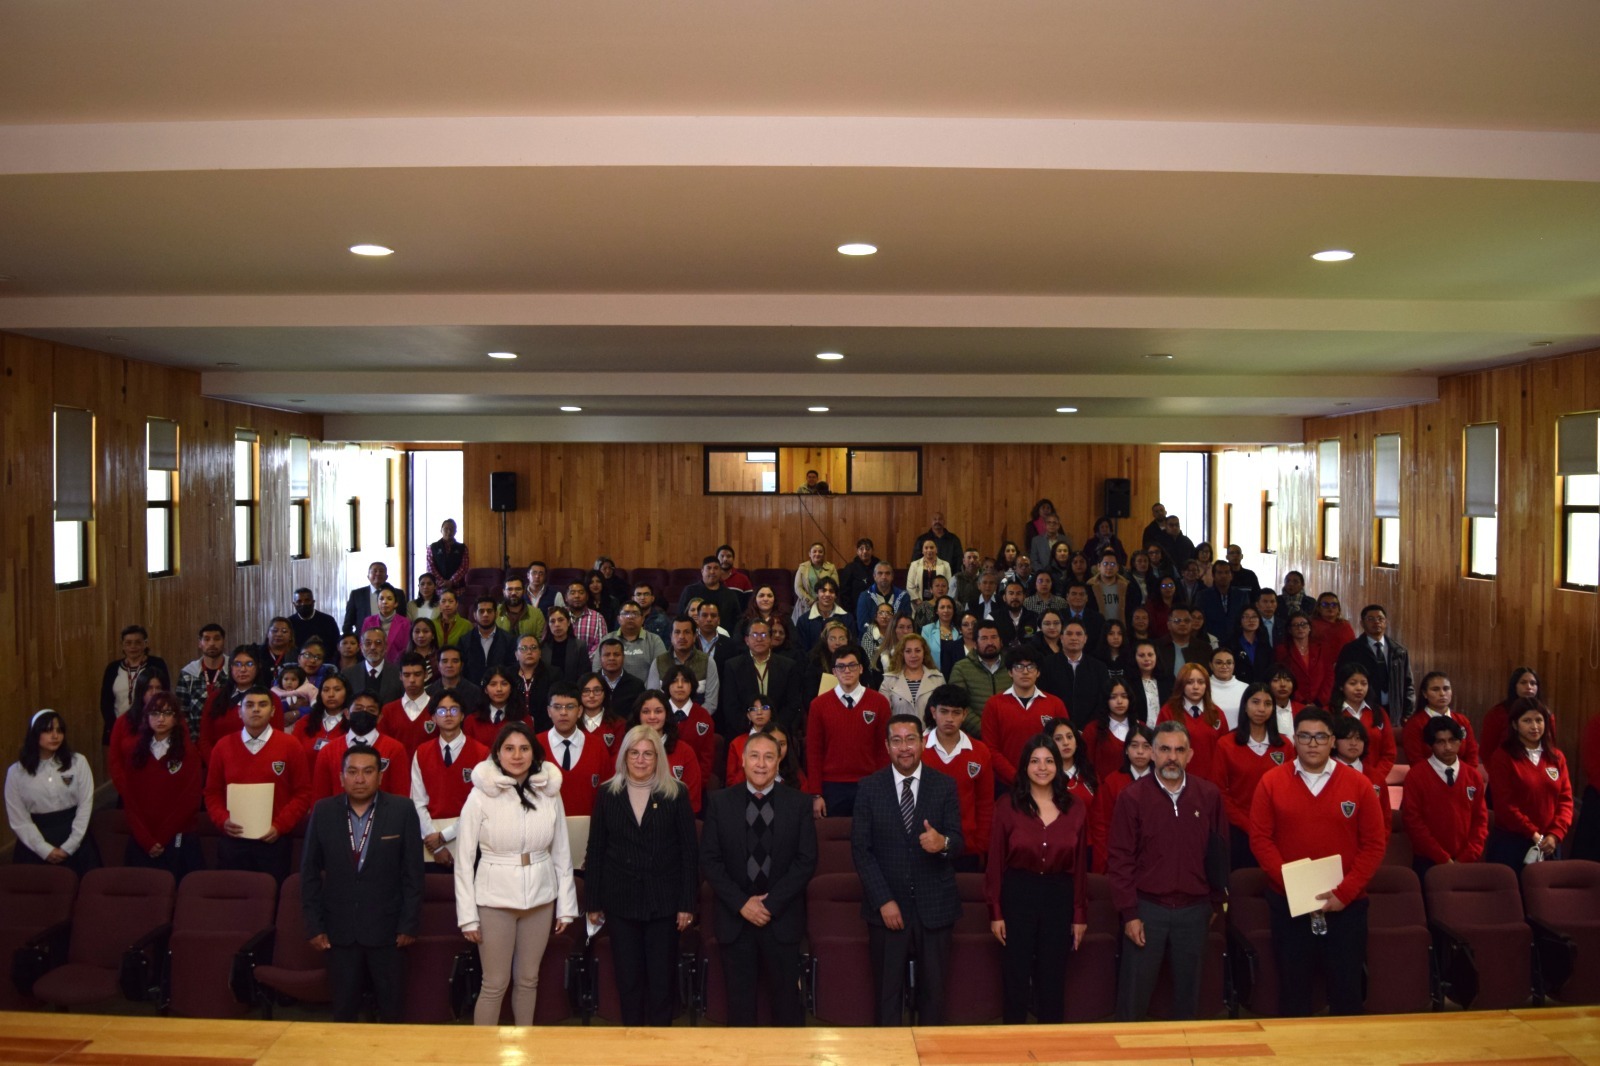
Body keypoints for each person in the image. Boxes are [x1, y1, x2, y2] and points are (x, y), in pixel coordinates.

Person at [1249, 708, 1387, 1017]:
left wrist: (1344, 892)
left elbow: (1375, 845)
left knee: (1346, 992)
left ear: (1333, 741)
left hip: (1346, 906)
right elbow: (1260, 840)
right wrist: (1296, 887)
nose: (1313, 743)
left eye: (1321, 736)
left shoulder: (1359, 784)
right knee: (1294, 993)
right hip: (1289, 904)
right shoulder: (1271, 782)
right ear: (1294, 740)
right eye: (1305, 736)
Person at [455, 722, 579, 1026]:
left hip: (540, 898)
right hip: (494, 900)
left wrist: (566, 906)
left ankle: (525, 1050)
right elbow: (464, 859)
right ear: (497, 754)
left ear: (534, 754)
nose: (517, 755)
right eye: (509, 748)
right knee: (494, 983)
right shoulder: (480, 795)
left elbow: (562, 852)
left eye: (524, 748)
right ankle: (484, 1056)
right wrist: (468, 916)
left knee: (528, 980)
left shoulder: (548, 793)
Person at [1107, 720, 1229, 1021]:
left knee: (1189, 1001)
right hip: (1148, 911)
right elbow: (1120, 859)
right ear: (1152, 753)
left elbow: (1219, 853)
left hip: (1194, 910)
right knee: (1134, 1000)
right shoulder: (1132, 797)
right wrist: (1130, 913)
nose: (1172, 757)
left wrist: (1214, 901)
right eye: (1164, 749)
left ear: (1190, 755)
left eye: (1179, 750)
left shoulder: (1209, 795)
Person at [851, 714, 964, 1026]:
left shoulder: (944, 786)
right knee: (887, 998)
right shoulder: (870, 788)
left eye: (910, 739)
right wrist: (883, 900)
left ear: (922, 742)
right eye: (897, 740)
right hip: (887, 908)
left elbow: (959, 842)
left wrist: (942, 843)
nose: (904, 747)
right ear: (887, 746)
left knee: (935, 997)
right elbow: (861, 850)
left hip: (935, 908)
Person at [301, 742, 425, 1022]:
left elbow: (413, 875)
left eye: (368, 771)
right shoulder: (323, 811)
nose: (360, 779)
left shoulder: (402, 810)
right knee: (343, 1012)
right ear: (341, 776)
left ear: (380, 776)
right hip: (339, 932)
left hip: (389, 933)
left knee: (392, 1012)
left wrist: (408, 925)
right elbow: (309, 874)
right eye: (353, 772)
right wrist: (314, 926)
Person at [700, 731, 818, 1026]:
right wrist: (742, 904)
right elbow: (710, 861)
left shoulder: (799, 803)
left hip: (782, 920)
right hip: (735, 921)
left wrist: (770, 905)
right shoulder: (719, 802)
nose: (761, 764)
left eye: (769, 757)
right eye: (754, 756)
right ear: (742, 760)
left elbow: (806, 861)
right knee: (740, 1011)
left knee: (787, 1009)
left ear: (779, 760)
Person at [584, 725, 698, 1026]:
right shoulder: (608, 793)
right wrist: (593, 901)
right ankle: (632, 1044)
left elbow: (689, 854)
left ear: (658, 757)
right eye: (634, 753)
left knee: (661, 982)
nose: (640, 759)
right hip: (621, 902)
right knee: (628, 980)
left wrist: (687, 903)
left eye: (648, 754)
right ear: (624, 755)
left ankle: (660, 1046)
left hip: (665, 903)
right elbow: (595, 850)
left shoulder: (675, 793)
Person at [984, 735, 1087, 1024]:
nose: (1042, 767)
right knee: (1015, 975)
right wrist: (996, 911)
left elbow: (1079, 867)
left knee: (1052, 977)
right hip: (1018, 893)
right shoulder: (1006, 806)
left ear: (1059, 766)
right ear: (1024, 766)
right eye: (1035, 761)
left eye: (1049, 761)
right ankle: (1014, 1046)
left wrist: (1079, 915)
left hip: (1059, 895)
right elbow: (994, 862)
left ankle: (1050, 1048)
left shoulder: (1076, 807)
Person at [205, 686, 313, 879]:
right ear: (240, 712)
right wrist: (223, 820)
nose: (256, 709)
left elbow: (302, 793)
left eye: (262, 705)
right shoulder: (222, 747)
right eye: (250, 705)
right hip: (233, 841)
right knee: (233, 900)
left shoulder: (290, 745)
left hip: (274, 841)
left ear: (272, 711)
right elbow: (212, 792)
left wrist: (280, 826)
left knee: (270, 900)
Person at [120, 692, 204, 877]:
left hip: (178, 837)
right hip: (143, 839)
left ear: (176, 718)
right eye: (155, 713)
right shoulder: (135, 753)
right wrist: (146, 839)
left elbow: (190, 800)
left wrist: (162, 837)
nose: (161, 719)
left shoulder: (188, 752)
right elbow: (130, 799)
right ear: (147, 717)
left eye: (167, 713)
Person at [6, 710, 99, 875]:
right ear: (35, 734)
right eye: (48, 730)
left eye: (59, 730)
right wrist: (44, 850)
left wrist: (70, 846)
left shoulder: (78, 762)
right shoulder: (17, 772)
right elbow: (19, 818)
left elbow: (85, 805)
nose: (55, 736)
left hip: (75, 836)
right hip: (35, 841)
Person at [1484, 698, 1572, 870]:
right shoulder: (1502, 757)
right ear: (1515, 725)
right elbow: (1505, 805)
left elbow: (1565, 801)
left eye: (1539, 720)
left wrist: (1555, 835)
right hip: (1512, 844)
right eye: (1527, 721)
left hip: (1550, 844)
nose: (1534, 726)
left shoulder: (1556, 757)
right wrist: (1534, 834)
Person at [806, 645, 892, 818]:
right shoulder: (818, 705)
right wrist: (816, 794)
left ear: (860, 669)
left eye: (852, 665)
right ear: (834, 671)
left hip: (869, 784)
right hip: (831, 787)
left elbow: (884, 750)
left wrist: (883, 788)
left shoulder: (879, 702)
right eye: (841, 666)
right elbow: (814, 752)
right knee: (834, 842)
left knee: (869, 841)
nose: (847, 671)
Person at [1211, 683, 1290, 869]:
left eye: (1268, 703)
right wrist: (1248, 824)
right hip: (1240, 831)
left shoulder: (1285, 745)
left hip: (1278, 830)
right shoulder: (1226, 744)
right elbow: (1219, 791)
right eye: (1255, 702)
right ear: (1245, 706)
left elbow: (1292, 787)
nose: (1261, 709)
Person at [1401, 716, 1488, 878]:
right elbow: (1413, 821)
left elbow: (1480, 820)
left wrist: (1466, 857)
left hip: (1467, 862)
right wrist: (1442, 858)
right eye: (1440, 742)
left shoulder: (1472, 776)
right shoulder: (1416, 775)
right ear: (1431, 744)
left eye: (1452, 740)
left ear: (1460, 741)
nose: (1447, 747)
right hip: (1428, 861)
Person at [410, 690, 489, 867]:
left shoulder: (482, 753)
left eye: (454, 710)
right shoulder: (421, 753)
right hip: (430, 838)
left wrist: (445, 836)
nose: (447, 715)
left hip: (471, 834)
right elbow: (417, 801)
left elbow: (482, 805)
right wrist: (435, 844)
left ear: (462, 716)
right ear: (433, 718)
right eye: (441, 711)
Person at [921, 685, 995, 870]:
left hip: (967, 847)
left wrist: (980, 844)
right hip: (923, 844)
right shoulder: (918, 749)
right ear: (933, 712)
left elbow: (985, 802)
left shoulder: (979, 751)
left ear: (965, 714)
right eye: (944, 711)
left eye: (956, 713)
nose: (949, 718)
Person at [981, 645, 1070, 788]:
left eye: (1031, 667)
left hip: (1047, 781)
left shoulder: (1055, 704)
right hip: (1006, 784)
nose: (1025, 672)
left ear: (1038, 672)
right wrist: (1016, 778)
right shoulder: (994, 704)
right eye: (1019, 667)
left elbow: (1063, 744)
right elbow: (990, 748)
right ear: (1010, 672)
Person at [311, 692, 411, 803]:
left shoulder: (395, 749)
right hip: (337, 818)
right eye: (358, 708)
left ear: (379, 717)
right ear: (347, 713)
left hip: (384, 818)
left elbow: (401, 798)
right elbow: (319, 799)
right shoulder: (328, 751)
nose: (364, 713)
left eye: (371, 710)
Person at [719, 618, 800, 739]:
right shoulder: (733, 666)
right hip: (744, 732)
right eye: (754, 635)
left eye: (763, 634)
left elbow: (792, 704)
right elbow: (730, 705)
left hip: (779, 732)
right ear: (747, 640)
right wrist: (752, 729)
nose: (759, 639)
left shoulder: (788, 666)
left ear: (771, 639)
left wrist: (774, 728)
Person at [1335, 604, 1415, 725]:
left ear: (1386, 622)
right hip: (1363, 707)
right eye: (1370, 619)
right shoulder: (1351, 650)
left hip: (1393, 710)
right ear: (1362, 623)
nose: (1376, 622)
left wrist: (1407, 713)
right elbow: (1340, 680)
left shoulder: (1399, 651)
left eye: (1380, 618)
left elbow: (1408, 684)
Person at [537, 683, 607, 816]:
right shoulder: (535, 745)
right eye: (557, 707)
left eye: (570, 707)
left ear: (580, 711)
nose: (563, 713)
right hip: (545, 829)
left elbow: (607, 792)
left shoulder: (598, 746)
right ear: (548, 711)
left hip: (590, 829)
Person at [629, 690, 704, 813]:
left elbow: (693, 800)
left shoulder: (685, 751)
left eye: (658, 711)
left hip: (674, 822)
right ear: (638, 715)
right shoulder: (627, 749)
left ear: (667, 715)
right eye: (646, 712)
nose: (652, 717)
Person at [1328, 662, 1396, 789]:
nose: (1359, 688)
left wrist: (1374, 777)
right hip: (1335, 779)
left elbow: (1389, 752)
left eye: (1364, 683)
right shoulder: (1329, 713)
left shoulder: (1378, 713)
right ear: (1341, 686)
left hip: (1372, 780)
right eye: (1353, 683)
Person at [99, 624, 171, 743]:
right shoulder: (112, 668)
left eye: (138, 642)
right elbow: (105, 702)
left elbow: (165, 695)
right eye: (128, 643)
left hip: (150, 728)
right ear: (122, 645)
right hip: (118, 728)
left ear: (145, 644)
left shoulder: (157, 664)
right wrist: (115, 726)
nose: (133, 646)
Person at [1157, 664, 1224, 781]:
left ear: (1207, 686)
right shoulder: (1168, 712)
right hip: (1176, 779)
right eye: (1189, 682)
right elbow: (1159, 748)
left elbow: (1224, 751)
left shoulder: (1217, 713)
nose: (1196, 687)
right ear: (1181, 685)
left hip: (1211, 782)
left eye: (1201, 682)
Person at [1403, 671, 1481, 767]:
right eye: (1435, 689)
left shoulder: (1462, 721)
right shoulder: (1415, 724)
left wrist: (1466, 776)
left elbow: (1472, 754)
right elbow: (1415, 759)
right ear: (1425, 693)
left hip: (1463, 776)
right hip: (1427, 777)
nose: (1442, 693)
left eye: (1446, 689)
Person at [1480, 668, 1552, 755]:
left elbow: (1550, 746)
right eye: (1523, 682)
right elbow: (1487, 750)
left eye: (1533, 683)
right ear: (1514, 686)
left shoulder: (1546, 713)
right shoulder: (1497, 713)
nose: (1529, 687)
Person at [176, 623, 228, 744]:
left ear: (223, 641)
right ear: (200, 643)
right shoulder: (188, 672)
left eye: (216, 638)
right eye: (206, 639)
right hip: (197, 740)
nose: (212, 643)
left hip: (227, 739)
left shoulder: (234, 670)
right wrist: (193, 741)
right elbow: (182, 711)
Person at [879, 634, 946, 722]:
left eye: (918, 651)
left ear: (924, 653)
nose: (913, 655)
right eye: (908, 651)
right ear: (902, 654)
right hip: (900, 733)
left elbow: (944, 711)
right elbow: (882, 713)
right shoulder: (889, 680)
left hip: (929, 733)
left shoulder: (938, 679)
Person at [1275, 612, 1333, 709]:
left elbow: (1329, 676)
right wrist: (1301, 701)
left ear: (1310, 627)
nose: (1300, 628)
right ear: (1289, 630)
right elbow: (1283, 678)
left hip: (1321, 705)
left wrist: (1318, 702)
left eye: (1303, 624)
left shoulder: (1322, 648)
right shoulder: (1282, 650)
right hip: (1294, 703)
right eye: (1295, 625)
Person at [342, 627, 405, 706]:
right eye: (368, 643)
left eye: (378, 643)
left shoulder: (398, 674)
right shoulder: (348, 674)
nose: (373, 647)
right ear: (361, 647)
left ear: (386, 647)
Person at [792, 542, 839, 621]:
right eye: (814, 551)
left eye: (820, 552)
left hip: (826, 603)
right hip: (805, 605)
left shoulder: (831, 567)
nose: (817, 554)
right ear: (809, 554)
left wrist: (823, 601)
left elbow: (835, 586)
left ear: (824, 554)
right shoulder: (803, 567)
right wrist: (810, 601)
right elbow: (798, 587)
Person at [495, 576, 547, 642]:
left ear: (524, 591)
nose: (513, 593)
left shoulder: (537, 614)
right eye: (510, 589)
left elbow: (540, 640)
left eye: (518, 589)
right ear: (503, 592)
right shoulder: (494, 612)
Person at [291, 589, 342, 654]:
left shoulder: (328, 620)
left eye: (307, 600)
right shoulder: (289, 623)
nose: (303, 604)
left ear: (313, 602)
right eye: (299, 601)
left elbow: (336, 645)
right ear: (294, 604)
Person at [426, 518, 470, 592]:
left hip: (458, 588)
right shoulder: (432, 547)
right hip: (438, 588)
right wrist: (442, 582)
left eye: (452, 529)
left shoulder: (462, 548)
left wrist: (451, 581)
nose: (449, 532)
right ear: (441, 530)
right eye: (446, 529)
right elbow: (430, 567)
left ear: (455, 531)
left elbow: (464, 567)